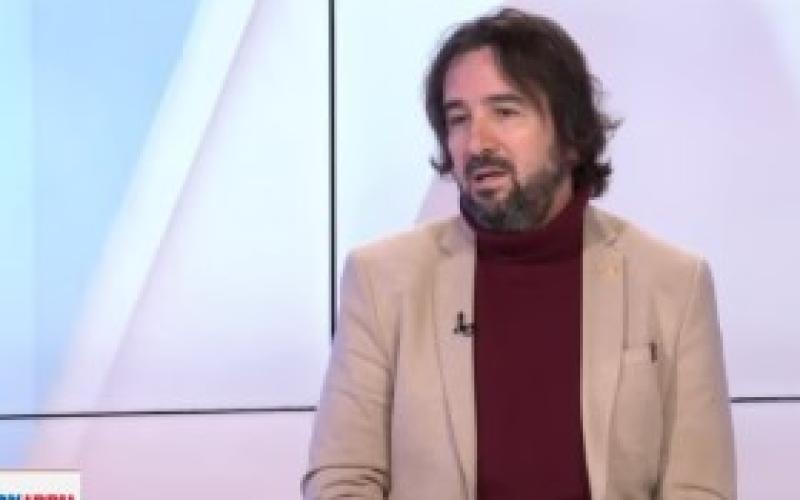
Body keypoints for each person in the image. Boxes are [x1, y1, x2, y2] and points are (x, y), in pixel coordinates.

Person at [302, 8, 735, 500]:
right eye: (458, 119)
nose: (476, 143)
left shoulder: (674, 283)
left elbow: (699, 488)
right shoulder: (383, 279)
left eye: (505, 112)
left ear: (571, 136)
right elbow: (342, 480)